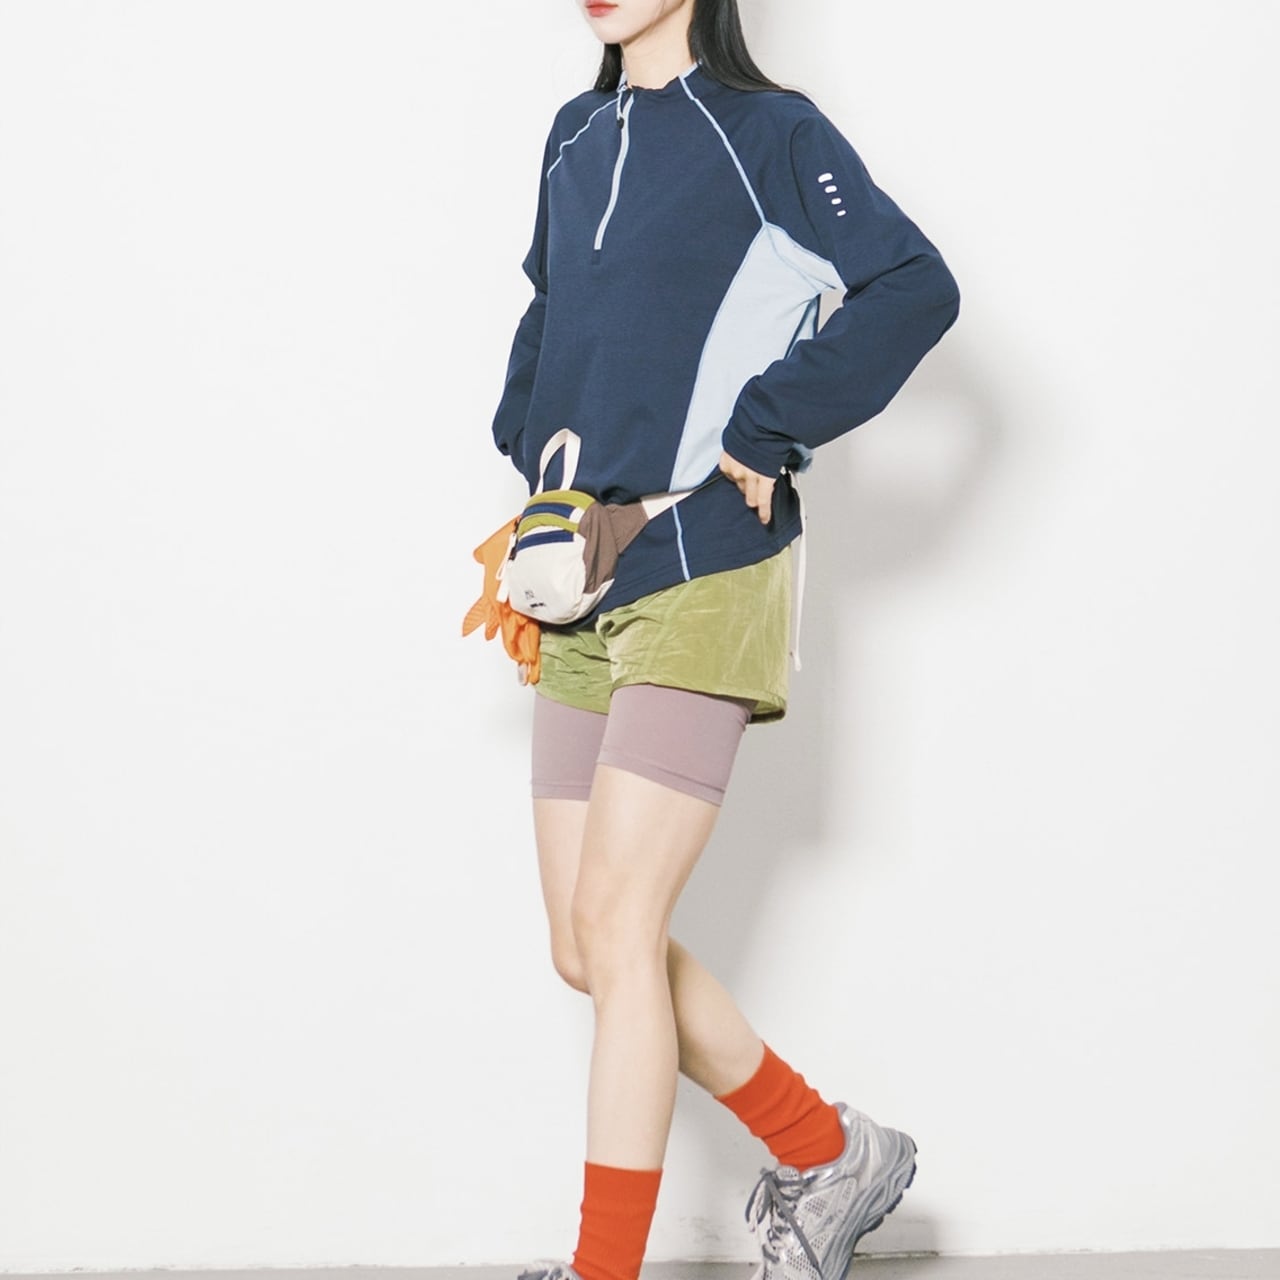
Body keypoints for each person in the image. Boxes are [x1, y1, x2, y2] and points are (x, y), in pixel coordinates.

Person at [487, 3, 961, 1278]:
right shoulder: (573, 134)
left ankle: (602, 1270)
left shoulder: (768, 131)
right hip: (577, 574)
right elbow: (552, 319)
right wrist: (535, 489)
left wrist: (767, 425)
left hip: (706, 565)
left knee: (617, 922)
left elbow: (913, 287)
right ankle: (827, 1150)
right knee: (584, 944)